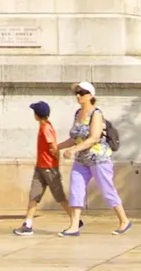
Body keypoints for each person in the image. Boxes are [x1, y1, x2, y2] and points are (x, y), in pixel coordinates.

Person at [53, 82, 132, 237]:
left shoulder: (96, 114)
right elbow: (75, 137)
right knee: (76, 189)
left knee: (107, 189)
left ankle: (124, 220)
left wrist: (73, 150)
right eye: (76, 92)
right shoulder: (77, 113)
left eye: (81, 93)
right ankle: (74, 225)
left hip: (99, 159)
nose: (78, 96)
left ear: (90, 95)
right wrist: (58, 146)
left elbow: (94, 137)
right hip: (82, 160)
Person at [13, 100, 67, 236]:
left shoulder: (45, 128)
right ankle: (28, 224)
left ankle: (76, 220)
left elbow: (52, 147)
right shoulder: (43, 126)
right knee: (34, 196)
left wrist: (55, 163)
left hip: (49, 168)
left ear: (37, 115)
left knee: (59, 197)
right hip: (41, 167)